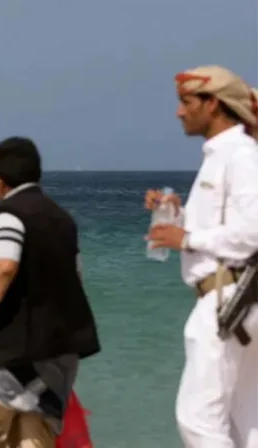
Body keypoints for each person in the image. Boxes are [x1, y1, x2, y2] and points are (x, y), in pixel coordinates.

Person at [0, 137, 100, 447]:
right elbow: (75, 277)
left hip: (5, 355)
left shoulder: (8, 216)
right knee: (35, 441)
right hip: (55, 358)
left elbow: (3, 267)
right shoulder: (63, 220)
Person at [145, 65, 258, 448]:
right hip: (237, 300)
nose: (179, 112)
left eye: (186, 102)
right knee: (246, 422)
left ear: (212, 104)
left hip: (228, 301)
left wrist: (188, 238)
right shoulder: (225, 155)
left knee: (198, 420)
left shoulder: (239, 154)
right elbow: (229, 226)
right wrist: (176, 216)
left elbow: (252, 231)